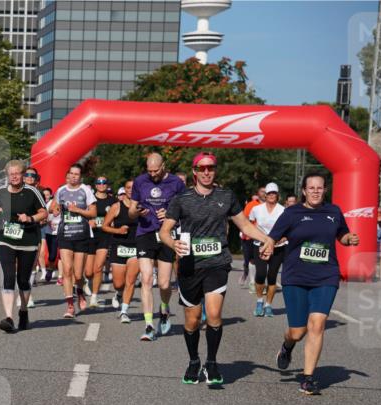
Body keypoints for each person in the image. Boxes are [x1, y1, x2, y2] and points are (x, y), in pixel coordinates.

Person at [160, 152, 275, 385]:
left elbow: (244, 225)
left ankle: (211, 363)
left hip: (217, 263)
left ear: (215, 170)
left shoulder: (226, 195)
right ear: (194, 172)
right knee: (192, 320)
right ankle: (194, 361)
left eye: (210, 168)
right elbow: (164, 231)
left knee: (213, 315)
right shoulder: (181, 198)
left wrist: (266, 239)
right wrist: (173, 243)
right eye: (202, 168)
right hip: (190, 265)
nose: (206, 172)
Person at [271, 173, 359, 395]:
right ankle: (287, 346)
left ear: (325, 190)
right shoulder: (292, 213)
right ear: (304, 191)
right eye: (311, 188)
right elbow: (274, 236)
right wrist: (267, 245)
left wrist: (349, 239)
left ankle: (308, 378)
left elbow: (342, 234)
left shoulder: (334, 211)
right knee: (297, 332)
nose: (316, 191)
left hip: (325, 275)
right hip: (296, 276)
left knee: (317, 324)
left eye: (319, 188)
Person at [130, 152, 185, 340]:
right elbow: (131, 211)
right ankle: (148, 326)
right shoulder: (140, 181)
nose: (152, 174)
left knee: (164, 283)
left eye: (156, 171)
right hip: (145, 233)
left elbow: (186, 210)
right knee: (146, 278)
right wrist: (137, 212)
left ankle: (164, 308)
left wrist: (170, 215)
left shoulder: (176, 183)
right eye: (149, 171)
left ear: (164, 166)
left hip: (166, 234)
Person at [0, 159, 48, 331]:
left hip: (28, 239)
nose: (14, 176)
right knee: (8, 276)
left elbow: (44, 213)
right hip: (5, 238)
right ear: (7, 175)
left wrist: (30, 218)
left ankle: (23, 311)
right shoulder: (1, 192)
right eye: (11, 174)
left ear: (22, 175)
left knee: (23, 279)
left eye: (17, 173)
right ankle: (8, 317)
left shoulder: (32, 192)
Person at [52, 163, 98, 318]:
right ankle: (70, 306)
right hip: (65, 234)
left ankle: (80, 291)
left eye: (76, 174)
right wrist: (55, 210)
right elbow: (54, 206)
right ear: (67, 175)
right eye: (71, 173)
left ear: (80, 177)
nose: (73, 176)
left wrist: (77, 210)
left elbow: (93, 213)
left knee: (78, 275)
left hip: (81, 235)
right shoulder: (61, 190)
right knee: (67, 270)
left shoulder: (85, 190)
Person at [248, 182, 287, 316]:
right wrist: (253, 235)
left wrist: (283, 239)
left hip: (277, 246)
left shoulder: (283, 210)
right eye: (269, 193)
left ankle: (268, 305)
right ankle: (259, 301)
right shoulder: (256, 209)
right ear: (265, 195)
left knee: (272, 276)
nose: (271, 195)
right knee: (260, 273)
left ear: (277, 195)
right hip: (260, 245)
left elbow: (289, 228)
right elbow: (250, 224)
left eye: (274, 193)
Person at [104, 182, 140, 323]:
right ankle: (119, 294)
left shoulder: (141, 206)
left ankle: (124, 311)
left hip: (136, 247)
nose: (131, 190)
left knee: (130, 281)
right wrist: (118, 231)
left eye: (134, 187)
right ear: (124, 190)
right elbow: (105, 226)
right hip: (119, 246)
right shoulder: (116, 206)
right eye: (128, 188)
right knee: (119, 284)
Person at [87, 175, 116, 308]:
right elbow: (83, 214)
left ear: (107, 185)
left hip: (105, 237)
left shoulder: (113, 201)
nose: (101, 184)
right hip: (91, 236)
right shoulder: (90, 199)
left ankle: (94, 297)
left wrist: (114, 223)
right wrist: (89, 221)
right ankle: (88, 282)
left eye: (104, 182)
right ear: (95, 185)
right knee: (88, 272)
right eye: (98, 182)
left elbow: (118, 215)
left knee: (98, 268)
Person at [239, 186, 265, 287]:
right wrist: (245, 233)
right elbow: (245, 219)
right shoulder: (251, 205)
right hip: (250, 237)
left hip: (265, 237)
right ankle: (251, 279)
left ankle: (266, 280)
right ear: (258, 193)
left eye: (266, 191)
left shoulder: (271, 205)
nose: (264, 193)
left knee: (264, 260)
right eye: (262, 191)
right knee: (251, 259)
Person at [40, 187, 60, 282]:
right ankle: (50, 269)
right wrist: (47, 221)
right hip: (50, 232)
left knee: (63, 255)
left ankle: (62, 276)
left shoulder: (66, 203)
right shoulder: (47, 204)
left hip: (63, 232)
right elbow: (44, 217)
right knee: (52, 255)